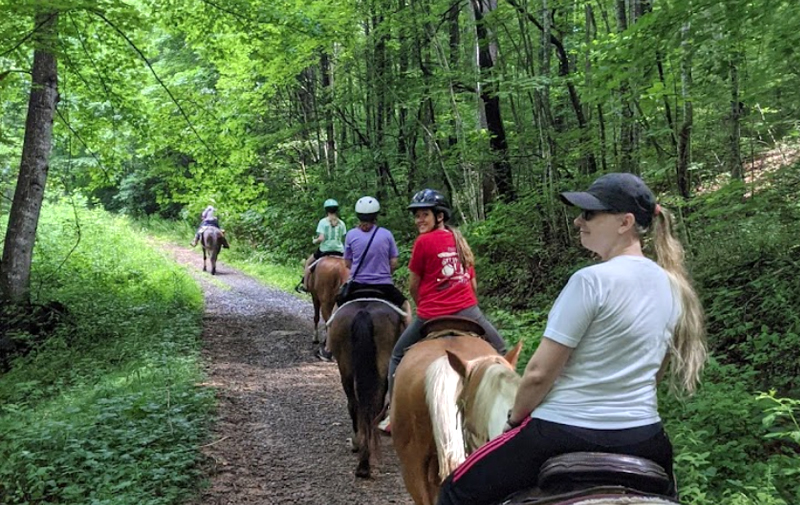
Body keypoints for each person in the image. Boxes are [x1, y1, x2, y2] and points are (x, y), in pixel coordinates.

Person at [436, 173, 708, 505]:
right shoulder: (674, 286)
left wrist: (515, 420)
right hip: (645, 438)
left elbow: (538, 374)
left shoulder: (590, 281)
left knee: (453, 491)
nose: (579, 220)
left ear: (625, 223)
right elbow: (655, 374)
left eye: (590, 214)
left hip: (562, 432)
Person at [383, 189, 507, 431]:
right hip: (468, 311)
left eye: (424, 215)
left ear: (440, 216)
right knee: (500, 349)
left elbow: (414, 284)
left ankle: (393, 412)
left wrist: (424, 306)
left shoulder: (423, 242)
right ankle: (510, 407)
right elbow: (472, 283)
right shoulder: (459, 240)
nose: (419, 220)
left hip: (431, 314)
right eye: (417, 216)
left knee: (397, 356)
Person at [316, 196, 412, 361]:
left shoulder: (351, 235)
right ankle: (410, 346)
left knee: (334, 311)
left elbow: (347, 263)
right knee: (406, 308)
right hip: (383, 286)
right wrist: (384, 271)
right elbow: (394, 262)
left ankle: (329, 347)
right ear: (376, 216)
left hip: (357, 285)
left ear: (358, 215)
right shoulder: (386, 234)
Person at [296, 199, 347, 294]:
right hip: (340, 251)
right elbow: (343, 237)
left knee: (307, 263)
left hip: (325, 250)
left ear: (326, 210)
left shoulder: (323, 222)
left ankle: (305, 286)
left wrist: (314, 241)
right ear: (336, 210)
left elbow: (321, 238)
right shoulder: (342, 223)